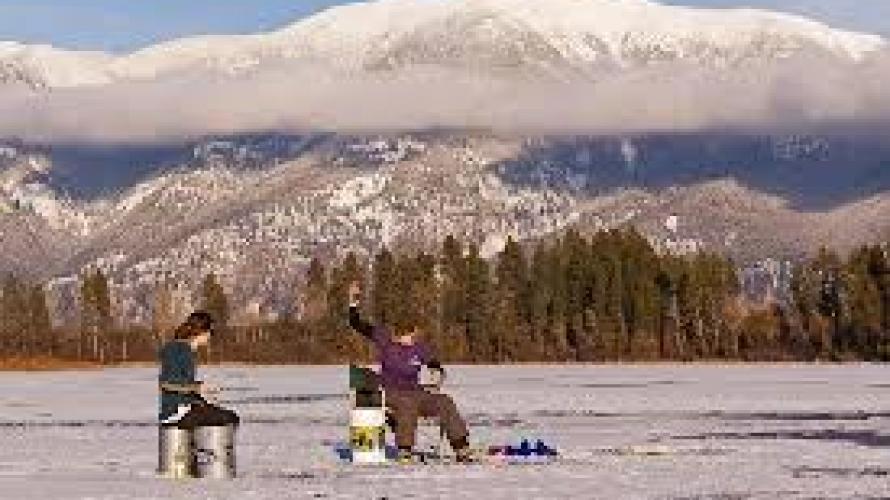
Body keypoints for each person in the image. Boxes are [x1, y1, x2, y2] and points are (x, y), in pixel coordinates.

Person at [347, 281, 473, 463]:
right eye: (406, 335)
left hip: (416, 391)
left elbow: (432, 361)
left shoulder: (419, 347)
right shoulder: (384, 338)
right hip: (390, 392)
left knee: (445, 401)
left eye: (412, 335)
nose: (409, 339)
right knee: (408, 404)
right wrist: (354, 300)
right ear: (397, 332)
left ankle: (461, 446)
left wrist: (436, 369)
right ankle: (404, 449)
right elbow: (356, 323)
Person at [158, 311, 239, 429]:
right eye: (211, 331)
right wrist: (199, 388)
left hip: (184, 409)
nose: (211, 335)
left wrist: (202, 396)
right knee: (229, 418)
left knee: (228, 416)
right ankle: (205, 447)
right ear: (201, 331)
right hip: (176, 414)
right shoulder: (178, 349)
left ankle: (202, 446)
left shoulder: (186, 349)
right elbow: (168, 384)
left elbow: (182, 383)